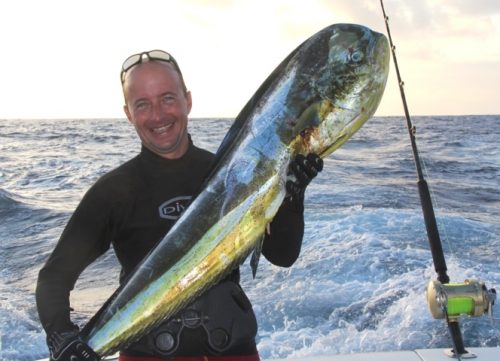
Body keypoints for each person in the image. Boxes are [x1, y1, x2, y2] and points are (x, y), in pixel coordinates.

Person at [36, 50, 323, 361]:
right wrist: (60, 335)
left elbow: (282, 255)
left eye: (168, 98)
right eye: (142, 104)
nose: (158, 115)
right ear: (128, 113)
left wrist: (292, 197)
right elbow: (54, 277)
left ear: (188, 100)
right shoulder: (112, 192)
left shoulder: (232, 175)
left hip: (234, 352)